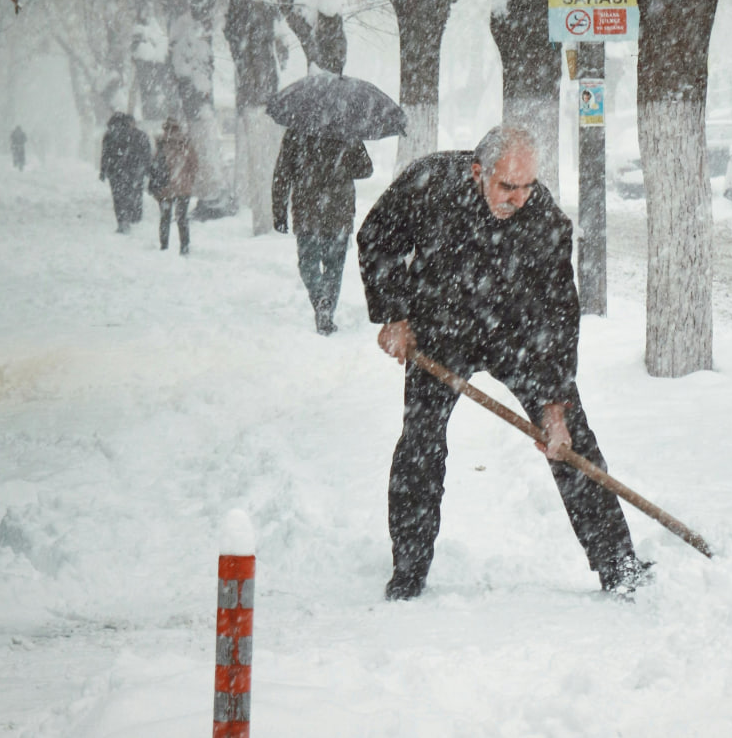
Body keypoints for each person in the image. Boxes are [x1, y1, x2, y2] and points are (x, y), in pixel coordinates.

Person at [356, 125, 649, 601]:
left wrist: (554, 406)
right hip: (440, 332)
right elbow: (377, 237)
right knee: (420, 443)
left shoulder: (545, 221)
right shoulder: (430, 184)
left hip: (516, 336)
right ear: (478, 172)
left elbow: (559, 314)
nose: (519, 198)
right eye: (507, 186)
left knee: (572, 441)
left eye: (528, 186)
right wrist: (395, 315)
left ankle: (619, 564)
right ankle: (408, 570)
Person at [272, 129, 372, 335]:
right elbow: (365, 169)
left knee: (307, 264)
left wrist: (279, 211)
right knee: (334, 267)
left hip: (307, 211)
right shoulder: (346, 130)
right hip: (339, 210)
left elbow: (282, 173)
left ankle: (320, 299)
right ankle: (326, 310)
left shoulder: (296, 132)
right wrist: (342, 165)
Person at [99, 114, 151, 234]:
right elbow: (146, 154)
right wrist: (147, 169)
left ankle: (123, 220)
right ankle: (132, 217)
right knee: (133, 194)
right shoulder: (139, 135)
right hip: (133, 171)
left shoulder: (110, 136)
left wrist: (103, 170)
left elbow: (105, 154)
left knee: (119, 197)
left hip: (117, 171)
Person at [153, 118, 198, 255]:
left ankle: (164, 246)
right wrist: (189, 180)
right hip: (182, 187)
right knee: (181, 218)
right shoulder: (185, 144)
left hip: (165, 188)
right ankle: (184, 246)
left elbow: (154, 166)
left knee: (165, 218)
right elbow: (194, 165)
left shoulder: (161, 144)